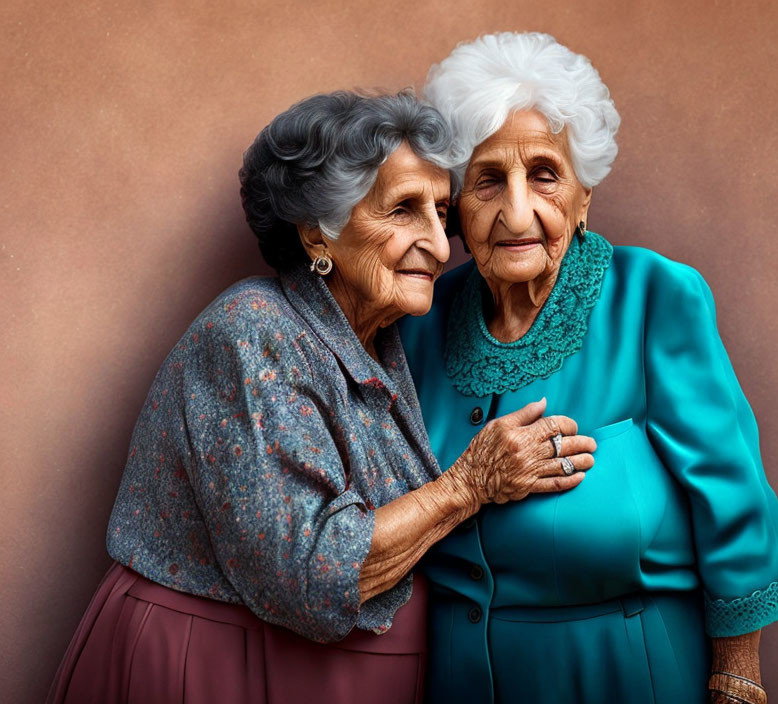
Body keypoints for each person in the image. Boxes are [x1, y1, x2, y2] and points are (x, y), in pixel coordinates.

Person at [46, 90, 597, 704]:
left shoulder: (381, 336)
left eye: (441, 214)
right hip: (213, 670)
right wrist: (469, 485)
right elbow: (310, 573)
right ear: (317, 233)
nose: (442, 248)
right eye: (404, 211)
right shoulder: (253, 333)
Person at [398, 32, 778, 704]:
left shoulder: (652, 297)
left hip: (622, 671)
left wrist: (738, 673)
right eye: (489, 180)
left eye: (545, 175)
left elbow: (734, 499)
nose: (517, 211)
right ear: (457, 205)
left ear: (584, 196)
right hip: (458, 679)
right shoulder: (421, 318)